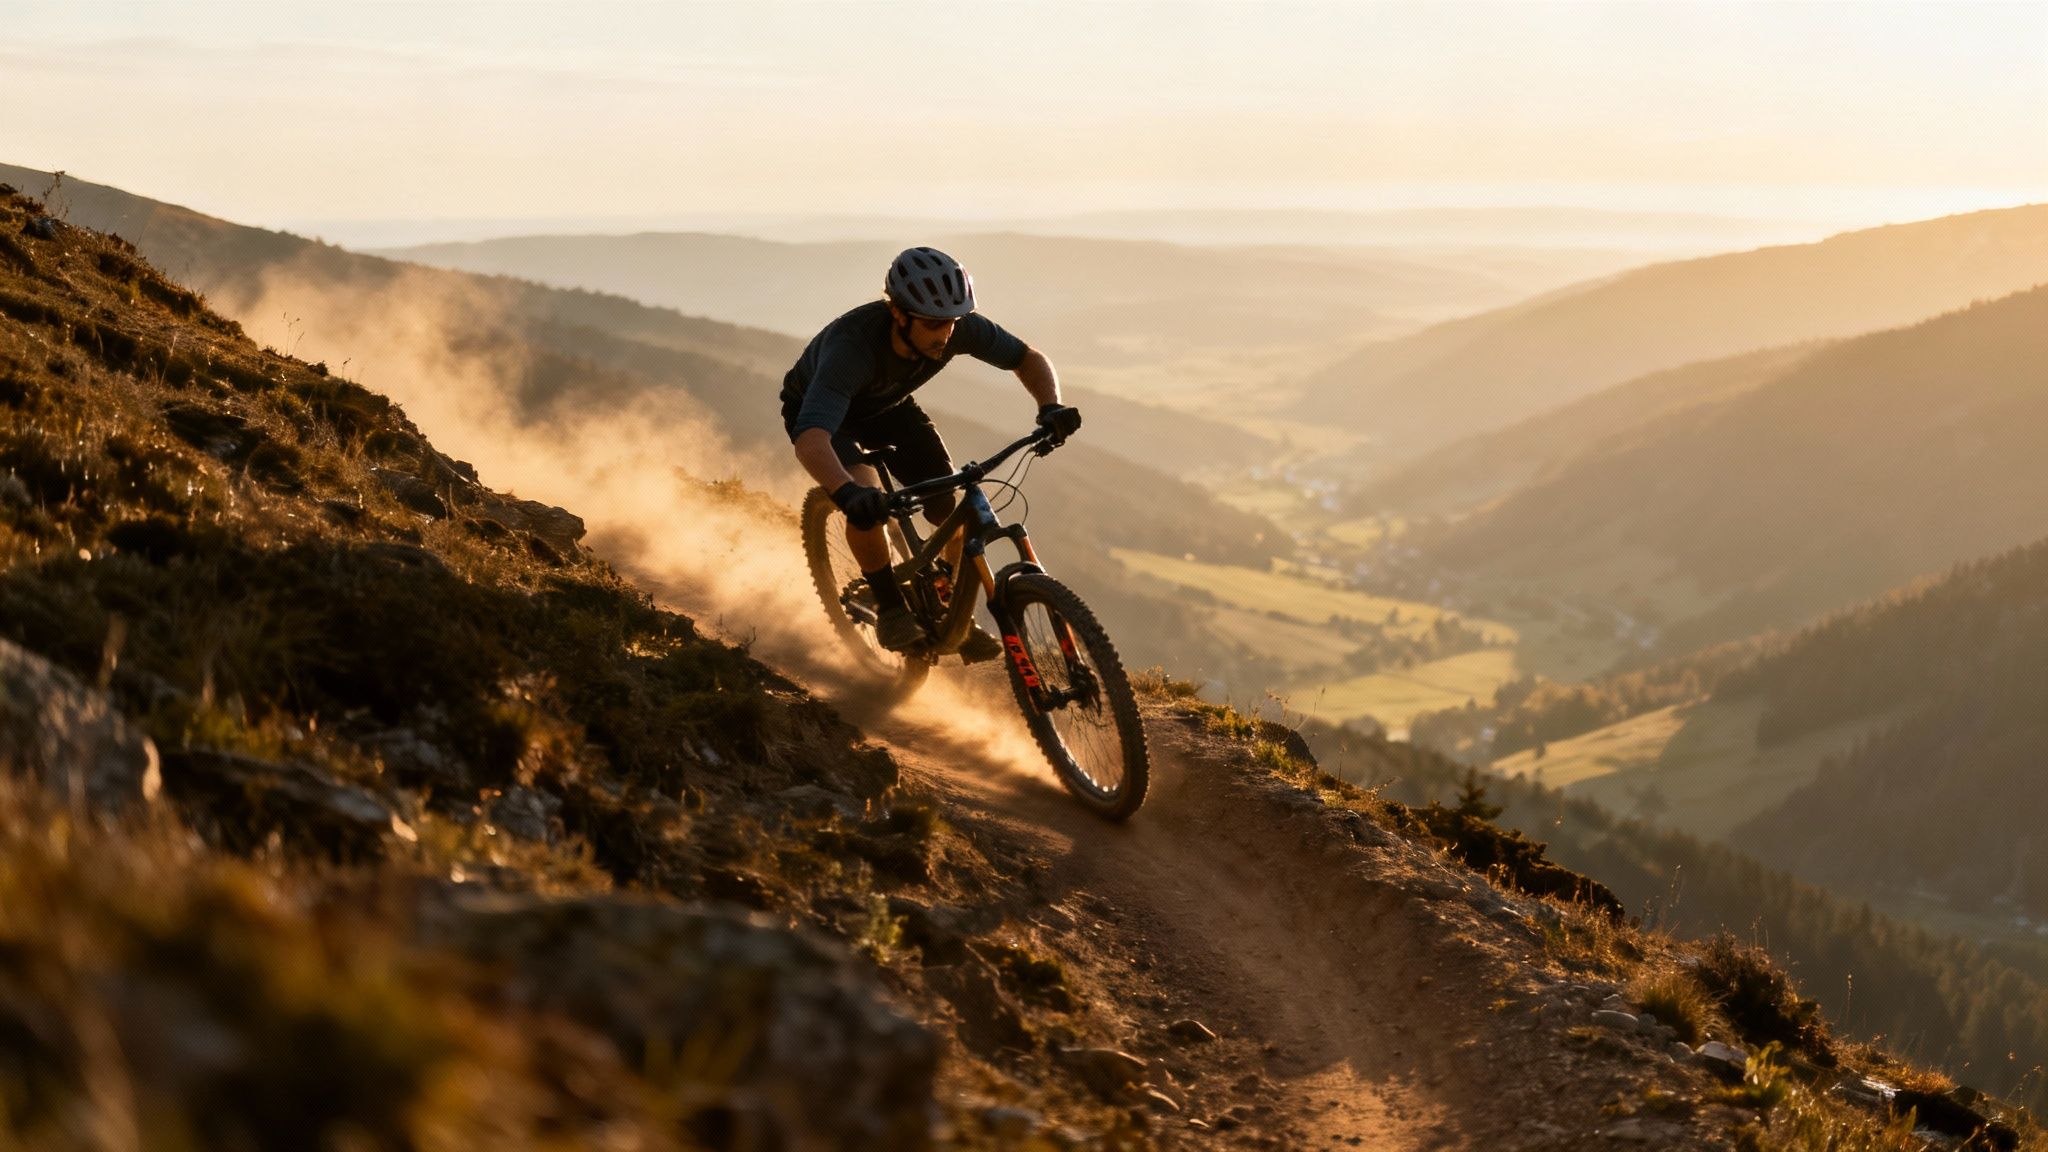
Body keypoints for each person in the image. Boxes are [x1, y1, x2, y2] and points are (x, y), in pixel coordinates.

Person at [782, 246, 1081, 658]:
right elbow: (811, 439)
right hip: (827, 418)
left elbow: (1028, 359)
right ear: (899, 315)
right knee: (869, 506)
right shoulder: (851, 351)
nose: (945, 334)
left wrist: (1051, 406)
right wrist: (848, 493)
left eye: (952, 322)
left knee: (948, 507)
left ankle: (946, 611)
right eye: (933, 323)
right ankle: (888, 605)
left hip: (890, 406)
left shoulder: (959, 330)